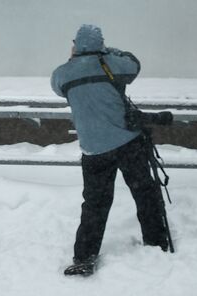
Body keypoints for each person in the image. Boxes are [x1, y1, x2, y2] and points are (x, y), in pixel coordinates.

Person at [51, 24, 170, 277]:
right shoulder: (111, 64)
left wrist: (77, 59)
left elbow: (58, 88)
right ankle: (156, 242)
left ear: (76, 45)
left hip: (94, 150)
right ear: (100, 44)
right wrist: (108, 52)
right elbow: (134, 64)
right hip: (128, 143)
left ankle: (84, 256)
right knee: (144, 193)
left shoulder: (62, 73)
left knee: (95, 203)